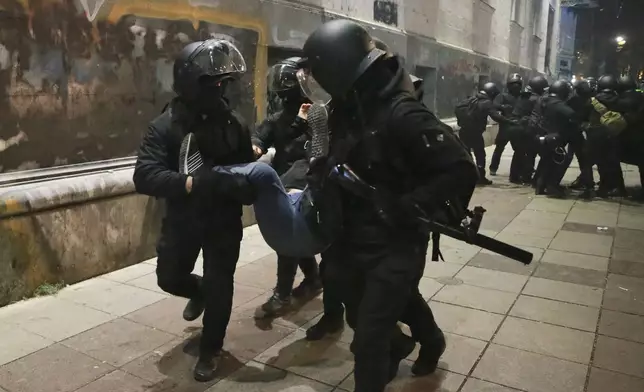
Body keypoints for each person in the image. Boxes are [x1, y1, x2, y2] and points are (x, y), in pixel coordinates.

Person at [299, 19, 478, 392]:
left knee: (367, 338)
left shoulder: (403, 114)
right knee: (372, 304)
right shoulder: (346, 110)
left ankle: (390, 353)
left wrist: (405, 205)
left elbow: (460, 169)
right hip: (350, 236)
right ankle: (422, 340)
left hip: (397, 239)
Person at [133, 39, 258, 382]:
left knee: (221, 285)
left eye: (223, 84)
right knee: (169, 277)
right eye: (213, 84)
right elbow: (144, 175)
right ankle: (198, 291)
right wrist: (189, 183)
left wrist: (239, 184)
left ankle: (211, 348)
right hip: (184, 217)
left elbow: (247, 173)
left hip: (223, 220)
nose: (220, 91)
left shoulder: (233, 124)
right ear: (191, 83)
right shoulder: (165, 125)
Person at [251, 57, 324, 319]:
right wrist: (255, 145)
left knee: (289, 235)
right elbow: (262, 134)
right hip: (285, 183)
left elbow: (319, 150)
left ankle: (282, 293)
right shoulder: (280, 118)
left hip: (306, 184)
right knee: (293, 235)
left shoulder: (318, 114)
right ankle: (314, 278)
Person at [457, 81, 515, 185]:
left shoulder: (470, 99)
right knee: (480, 155)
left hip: (463, 131)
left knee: (466, 154)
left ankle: (466, 176)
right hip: (475, 133)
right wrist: (510, 121)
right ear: (491, 93)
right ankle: (480, 178)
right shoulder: (486, 102)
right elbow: (495, 116)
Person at [534, 80, 577, 197]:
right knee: (557, 163)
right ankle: (552, 187)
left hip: (542, 136)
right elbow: (572, 115)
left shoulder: (543, 100)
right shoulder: (558, 104)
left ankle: (540, 186)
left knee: (545, 163)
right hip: (554, 138)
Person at [591, 75, 628, 197]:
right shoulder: (619, 100)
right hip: (616, 134)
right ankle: (619, 187)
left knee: (601, 163)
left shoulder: (595, 100)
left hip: (599, 134)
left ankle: (604, 187)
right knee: (614, 162)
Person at [564, 80, 595, 197]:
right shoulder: (590, 101)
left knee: (566, 158)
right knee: (584, 161)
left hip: (573, 132)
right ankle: (588, 184)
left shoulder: (573, 100)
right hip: (582, 133)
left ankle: (553, 182)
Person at [490, 73, 523, 177]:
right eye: (513, 84)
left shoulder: (522, 97)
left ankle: (516, 172)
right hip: (505, 126)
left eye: (517, 84)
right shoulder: (502, 96)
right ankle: (493, 168)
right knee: (499, 149)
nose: (515, 86)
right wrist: (503, 107)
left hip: (517, 126)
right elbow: (494, 106)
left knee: (519, 150)